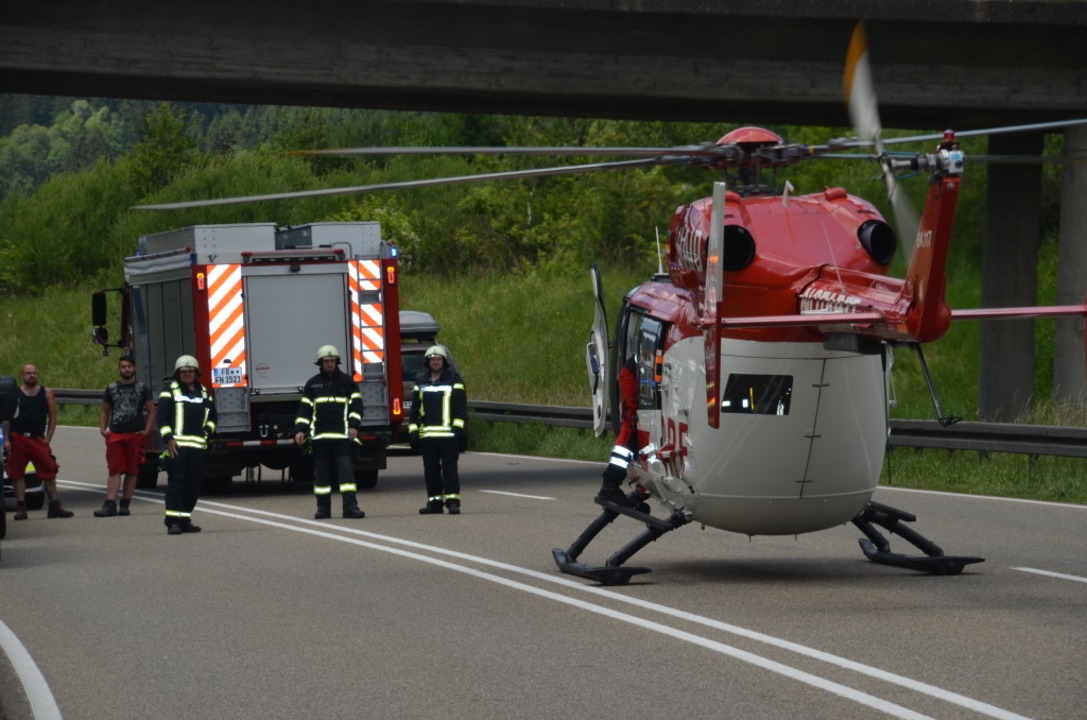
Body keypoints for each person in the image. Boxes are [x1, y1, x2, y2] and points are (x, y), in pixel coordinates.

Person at [293, 345, 366, 520]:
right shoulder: (313, 384)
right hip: (320, 439)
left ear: (337, 362)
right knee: (321, 478)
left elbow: (356, 407)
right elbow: (305, 410)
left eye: (332, 361)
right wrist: (300, 430)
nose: (329, 364)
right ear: (320, 363)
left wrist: (354, 426)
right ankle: (323, 509)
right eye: (326, 361)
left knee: (346, 475)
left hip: (342, 438)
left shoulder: (348, 382)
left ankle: (350, 508)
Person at [2, 364, 73, 519]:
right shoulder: (15, 394)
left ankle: (55, 505)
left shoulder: (46, 393)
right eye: (28, 373)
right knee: (17, 474)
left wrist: (47, 439)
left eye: (34, 373)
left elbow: (53, 418)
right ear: (22, 376)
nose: (32, 375)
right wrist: (6, 440)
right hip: (18, 438)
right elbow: (6, 418)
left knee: (49, 471)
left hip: (38, 439)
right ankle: (21, 507)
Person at [158, 355, 217, 535]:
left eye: (190, 371)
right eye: (183, 371)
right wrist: (169, 439)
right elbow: (162, 419)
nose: (187, 374)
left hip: (197, 448)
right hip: (177, 448)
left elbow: (213, 417)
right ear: (178, 373)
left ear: (196, 373)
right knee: (177, 484)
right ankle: (172, 522)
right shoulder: (169, 391)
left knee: (193, 485)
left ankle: (184, 519)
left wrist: (207, 432)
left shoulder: (205, 393)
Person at [408, 345, 467, 515]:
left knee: (450, 470)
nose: (435, 362)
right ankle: (434, 502)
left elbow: (460, 408)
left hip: (449, 435)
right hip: (428, 437)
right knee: (431, 471)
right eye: (432, 359)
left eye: (438, 359)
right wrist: (413, 430)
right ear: (428, 362)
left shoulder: (454, 381)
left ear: (443, 361)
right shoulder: (421, 382)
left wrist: (457, 428)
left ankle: (453, 502)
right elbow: (415, 410)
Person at [95, 355, 156, 517]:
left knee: (132, 470)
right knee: (114, 470)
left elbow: (151, 410)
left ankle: (125, 504)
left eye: (129, 366)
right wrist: (103, 429)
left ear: (134, 369)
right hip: (115, 434)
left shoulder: (142, 388)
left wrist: (147, 430)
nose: (126, 369)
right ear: (119, 369)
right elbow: (105, 410)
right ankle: (109, 504)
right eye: (123, 367)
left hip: (135, 434)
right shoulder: (112, 388)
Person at [595, 355, 640, 507]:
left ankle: (643, 482)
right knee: (629, 428)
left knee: (639, 432)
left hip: (638, 374)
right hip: (632, 376)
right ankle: (610, 484)